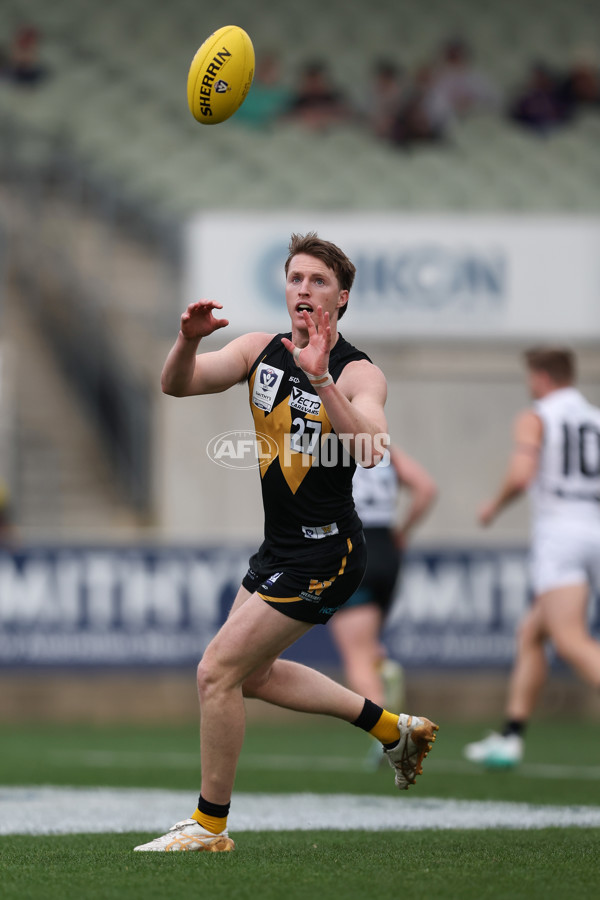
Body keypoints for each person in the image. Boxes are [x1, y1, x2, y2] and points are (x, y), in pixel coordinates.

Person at [135, 233, 438, 852]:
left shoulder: (358, 371)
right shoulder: (257, 349)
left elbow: (373, 448)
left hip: (331, 552)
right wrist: (189, 339)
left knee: (215, 672)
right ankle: (391, 729)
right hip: (279, 548)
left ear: (341, 297)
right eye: (296, 278)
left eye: (318, 281)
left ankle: (210, 825)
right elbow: (177, 385)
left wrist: (323, 379)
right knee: (249, 675)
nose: (304, 289)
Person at [464, 347, 600, 768]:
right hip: (594, 526)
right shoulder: (594, 418)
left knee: (571, 639)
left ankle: (511, 738)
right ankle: (511, 737)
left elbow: (522, 475)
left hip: (561, 535)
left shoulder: (536, 415)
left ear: (540, 376)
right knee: (532, 633)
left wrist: (493, 505)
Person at [329, 444, 437, 710]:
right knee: (368, 644)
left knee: (356, 656)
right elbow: (426, 489)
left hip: (352, 549)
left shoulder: (327, 446)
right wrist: (403, 531)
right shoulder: (384, 449)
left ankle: (386, 730)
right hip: (387, 549)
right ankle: (383, 671)